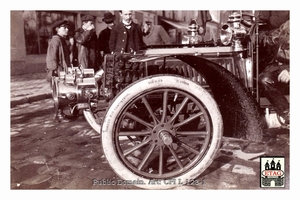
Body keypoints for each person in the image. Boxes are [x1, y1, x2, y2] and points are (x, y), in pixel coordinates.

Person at [258, 20, 290, 125]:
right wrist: (255, 35)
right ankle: (288, 114)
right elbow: (271, 38)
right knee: (264, 79)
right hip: (279, 66)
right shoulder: (288, 24)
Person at [46, 19, 71, 122]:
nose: (67, 29)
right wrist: (55, 71)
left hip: (61, 71)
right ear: (57, 29)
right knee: (58, 94)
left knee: (62, 93)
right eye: (64, 27)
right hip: (56, 72)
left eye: (67, 27)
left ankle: (60, 113)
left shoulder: (61, 39)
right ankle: (59, 115)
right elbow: (51, 57)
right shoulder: (55, 40)